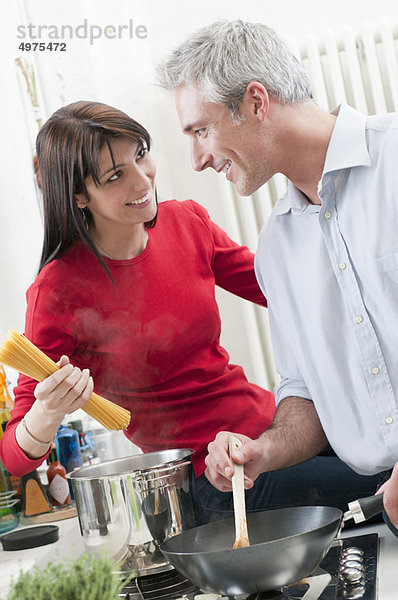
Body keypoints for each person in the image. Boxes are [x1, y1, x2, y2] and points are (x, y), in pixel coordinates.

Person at [0, 101, 380, 525]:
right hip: (213, 478)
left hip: (269, 430)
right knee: (383, 482)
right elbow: (15, 458)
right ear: (78, 195)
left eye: (140, 154)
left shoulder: (186, 222)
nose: (143, 180)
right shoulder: (57, 291)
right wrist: (47, 413)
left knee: (385, 454)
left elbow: (284, 289)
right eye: (115, 176)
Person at [158, 20, 398, 530]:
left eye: (201, 130)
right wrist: (262, 450)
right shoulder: (277, 248)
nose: (197, 160)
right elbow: (303, 392)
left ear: (256, 102)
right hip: (386, 507)